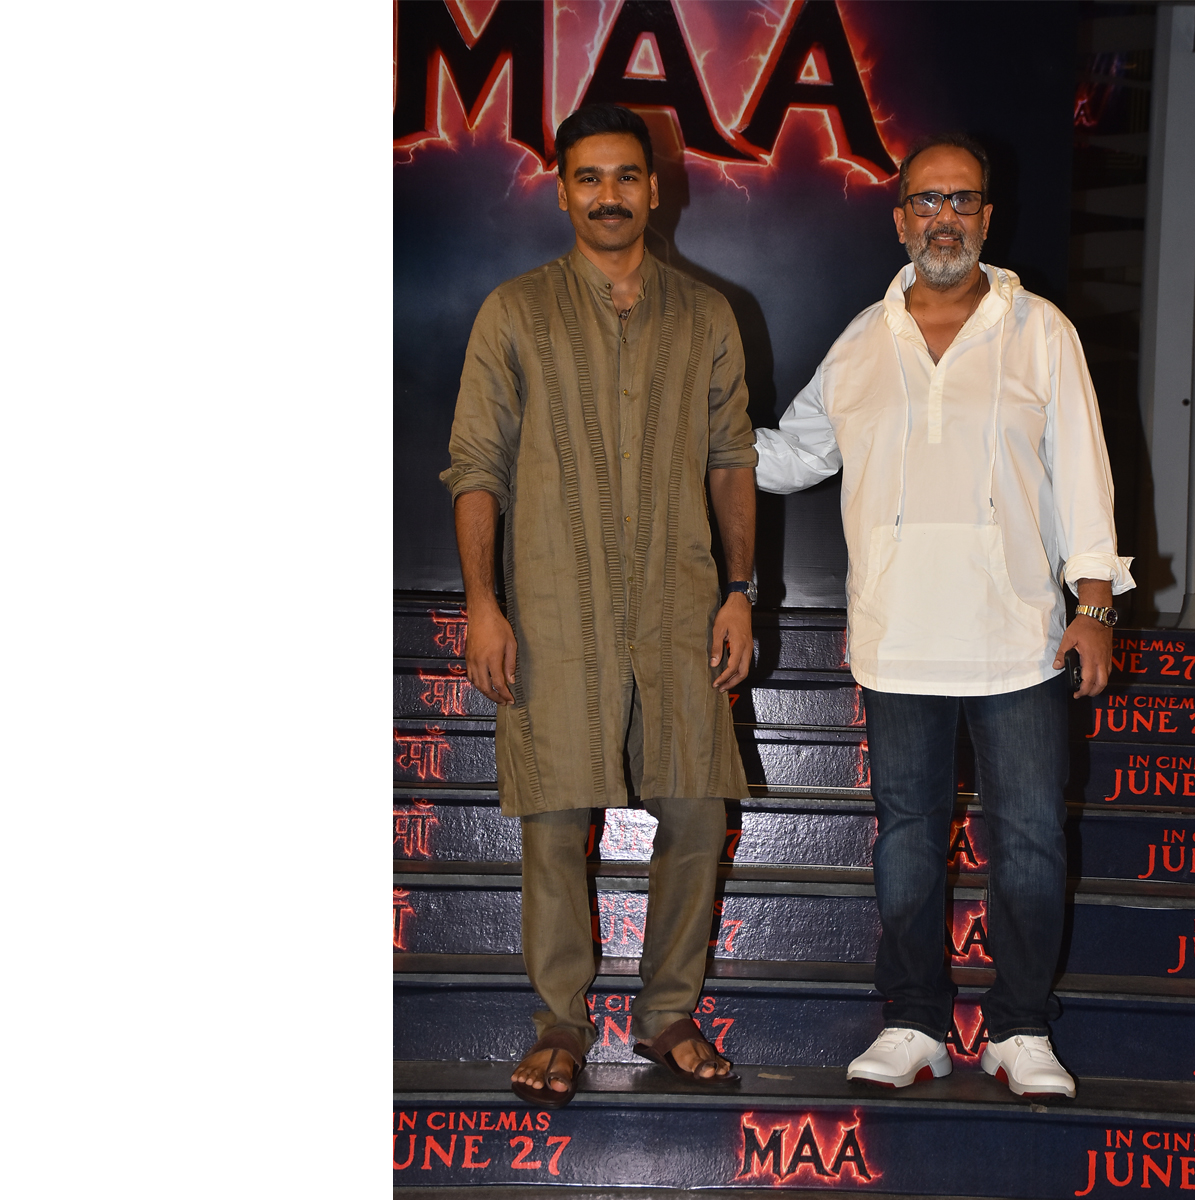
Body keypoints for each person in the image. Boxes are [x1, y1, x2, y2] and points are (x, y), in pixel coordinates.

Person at [754, 133, 1134, 1101]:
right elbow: (791, 456)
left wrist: (1093, 602)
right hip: (898, 639)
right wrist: (690, 436)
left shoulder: (1040, 330)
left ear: (987, 217)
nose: (944, 218)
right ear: (899, 220)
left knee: (1031, 844)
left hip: (1017, 638)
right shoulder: (861, 340)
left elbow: (1083, 472)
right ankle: (914, 1022)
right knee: (908, 843)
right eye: (926, 200)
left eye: (962, 200)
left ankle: (1020, 1030)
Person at [441, 104, 758, 1107]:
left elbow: (731, 459)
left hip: (679, 602)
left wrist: (740, 590)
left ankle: (667, 1013)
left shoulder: (706, 316)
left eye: (626, 176)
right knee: (553, 819)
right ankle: (560, 1024)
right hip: (553, 606)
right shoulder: (515, 313)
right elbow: (476, 466)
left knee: (697, 809)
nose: (609, 195)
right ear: (562, 190)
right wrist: (484, 604)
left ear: (656, 189)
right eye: (589, 177)